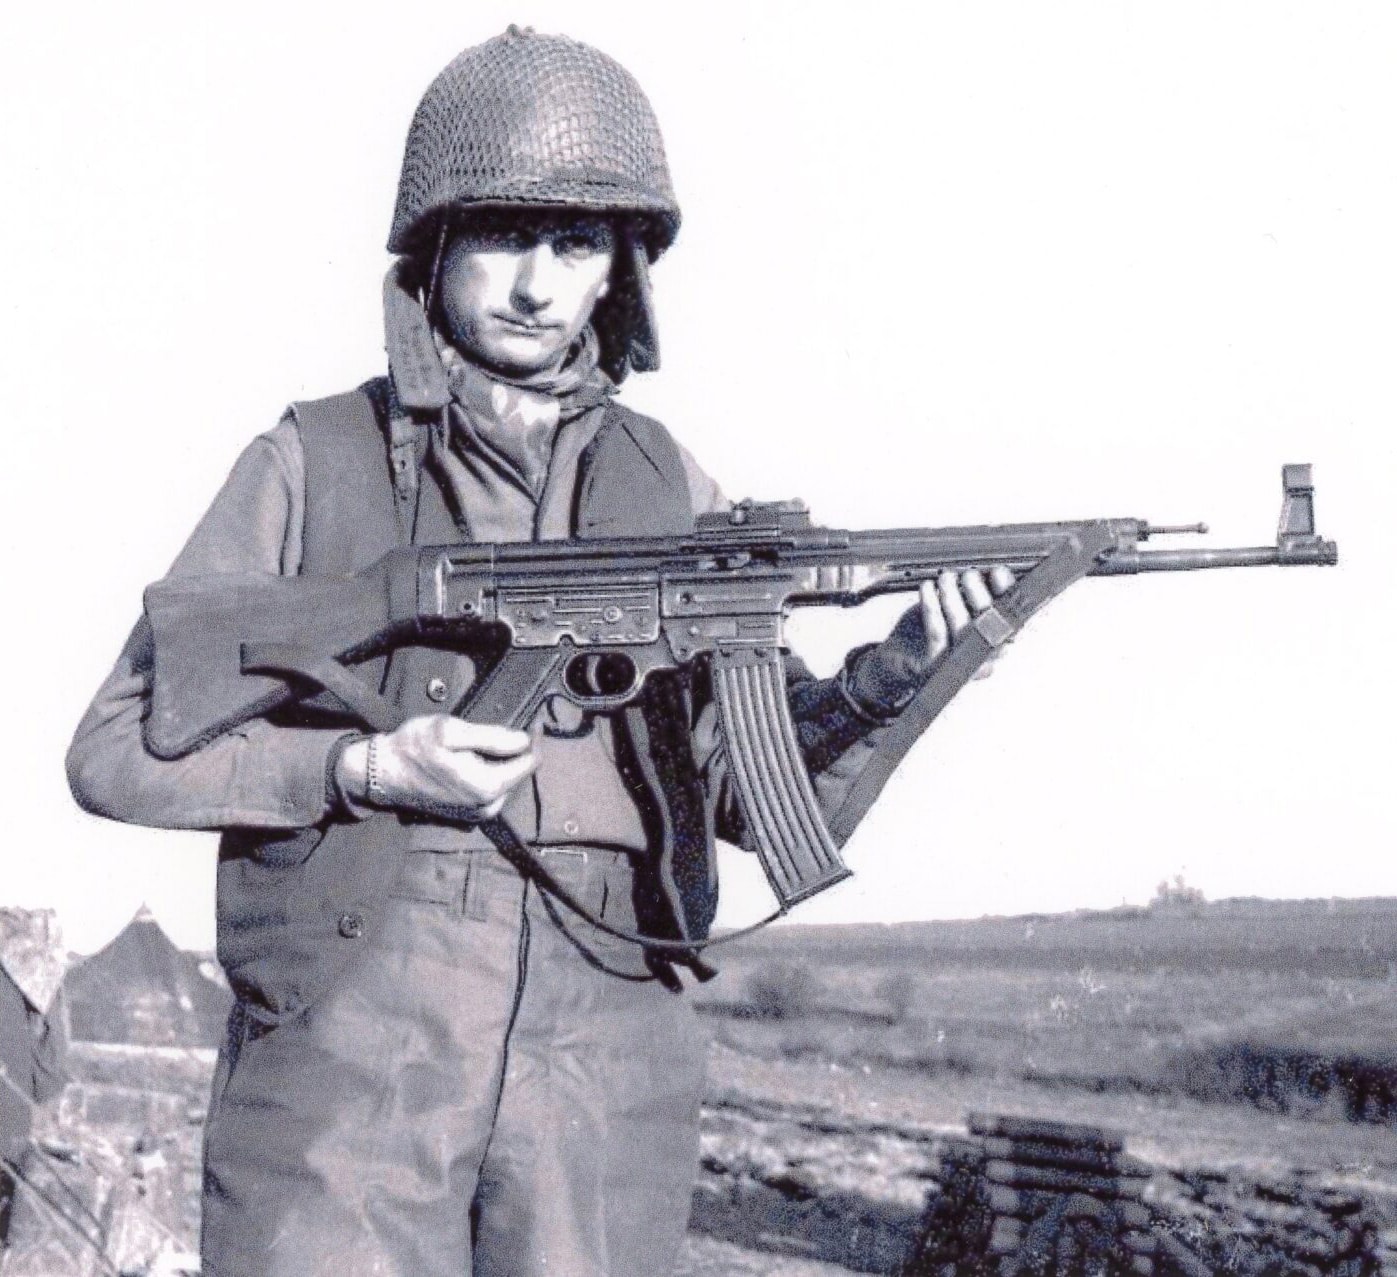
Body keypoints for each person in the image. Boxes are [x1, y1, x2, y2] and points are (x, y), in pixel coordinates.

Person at [66, 27, 1013, 1277]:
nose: (536, 285)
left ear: (619, 268)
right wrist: (362, 772)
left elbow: (739, 786)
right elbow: (120, 749)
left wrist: (894, 676)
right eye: (506, 237)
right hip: (360, 1022)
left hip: (606, 1019)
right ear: (434, 250)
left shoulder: (669, 479)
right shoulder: (312, 460)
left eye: (574, 245)